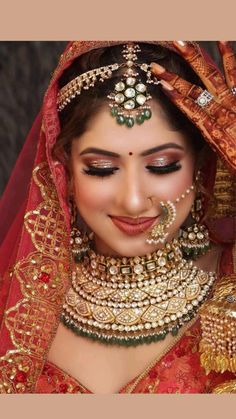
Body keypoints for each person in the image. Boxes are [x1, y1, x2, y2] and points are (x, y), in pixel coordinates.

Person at [0, 41, 235, 394]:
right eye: (102, 168)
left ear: (200, 165)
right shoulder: (19, 302)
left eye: (162, 166)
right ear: (63, 168)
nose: (133, 200)